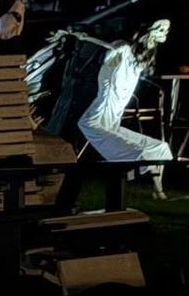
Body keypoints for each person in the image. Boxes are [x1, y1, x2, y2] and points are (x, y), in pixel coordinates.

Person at [62, 18, 173, 194]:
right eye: (161, 29)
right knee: (90, 124)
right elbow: (109, 50)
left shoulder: (138, 58)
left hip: (115, 105)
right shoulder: (124, 49)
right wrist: (82, 37)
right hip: (108, 103)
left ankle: (152, 184)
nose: (164, 33)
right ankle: (139, 173)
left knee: (94, 126)